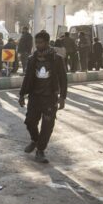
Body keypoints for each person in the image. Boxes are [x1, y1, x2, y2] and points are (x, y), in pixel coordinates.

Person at [18, 31, 67, 163]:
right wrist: (22, 94)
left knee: (47, 126)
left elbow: (63, 79)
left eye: (40, 42)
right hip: (34, 97)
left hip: (50, 98)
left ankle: (40, 150)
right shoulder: (32, 59)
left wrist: (62, 97)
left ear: (46, 42)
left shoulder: (57, 59)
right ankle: (35, 139)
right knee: (29, 122)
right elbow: (27, 78)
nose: (38, 45)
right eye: (37, 42)